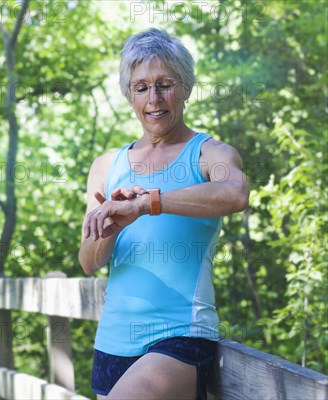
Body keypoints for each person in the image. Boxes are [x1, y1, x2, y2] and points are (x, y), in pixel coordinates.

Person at [78, 28, 249, 400]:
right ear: (129, 95)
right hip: (112, 341)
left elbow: (235, 193)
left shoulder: (211, 153)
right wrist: (108, 226)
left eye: (165, 84)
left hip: (180, 336)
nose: (154, 99)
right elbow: (89, 262)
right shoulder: (107, 165)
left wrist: (146, 204)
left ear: (186, 87)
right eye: (141, 88)